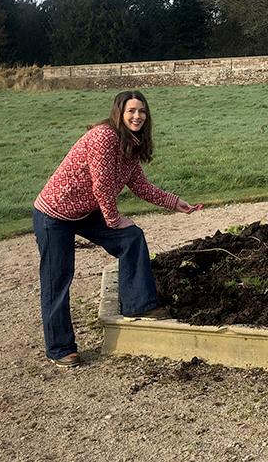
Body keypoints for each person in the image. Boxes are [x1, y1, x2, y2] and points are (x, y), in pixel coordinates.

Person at [33, 91, 201, 367]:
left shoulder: (129, 146)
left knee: (131, 237)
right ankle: (59, 347)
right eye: (131, 111)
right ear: (119, 114)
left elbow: (141, 186)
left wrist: (175, 202)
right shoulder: (103, 136)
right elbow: (101, 185)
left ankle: (139, 305)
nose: (137, 116)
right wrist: (112, 220)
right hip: (55, 213)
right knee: (58, 277)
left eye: (142, 111)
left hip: (85, 210)